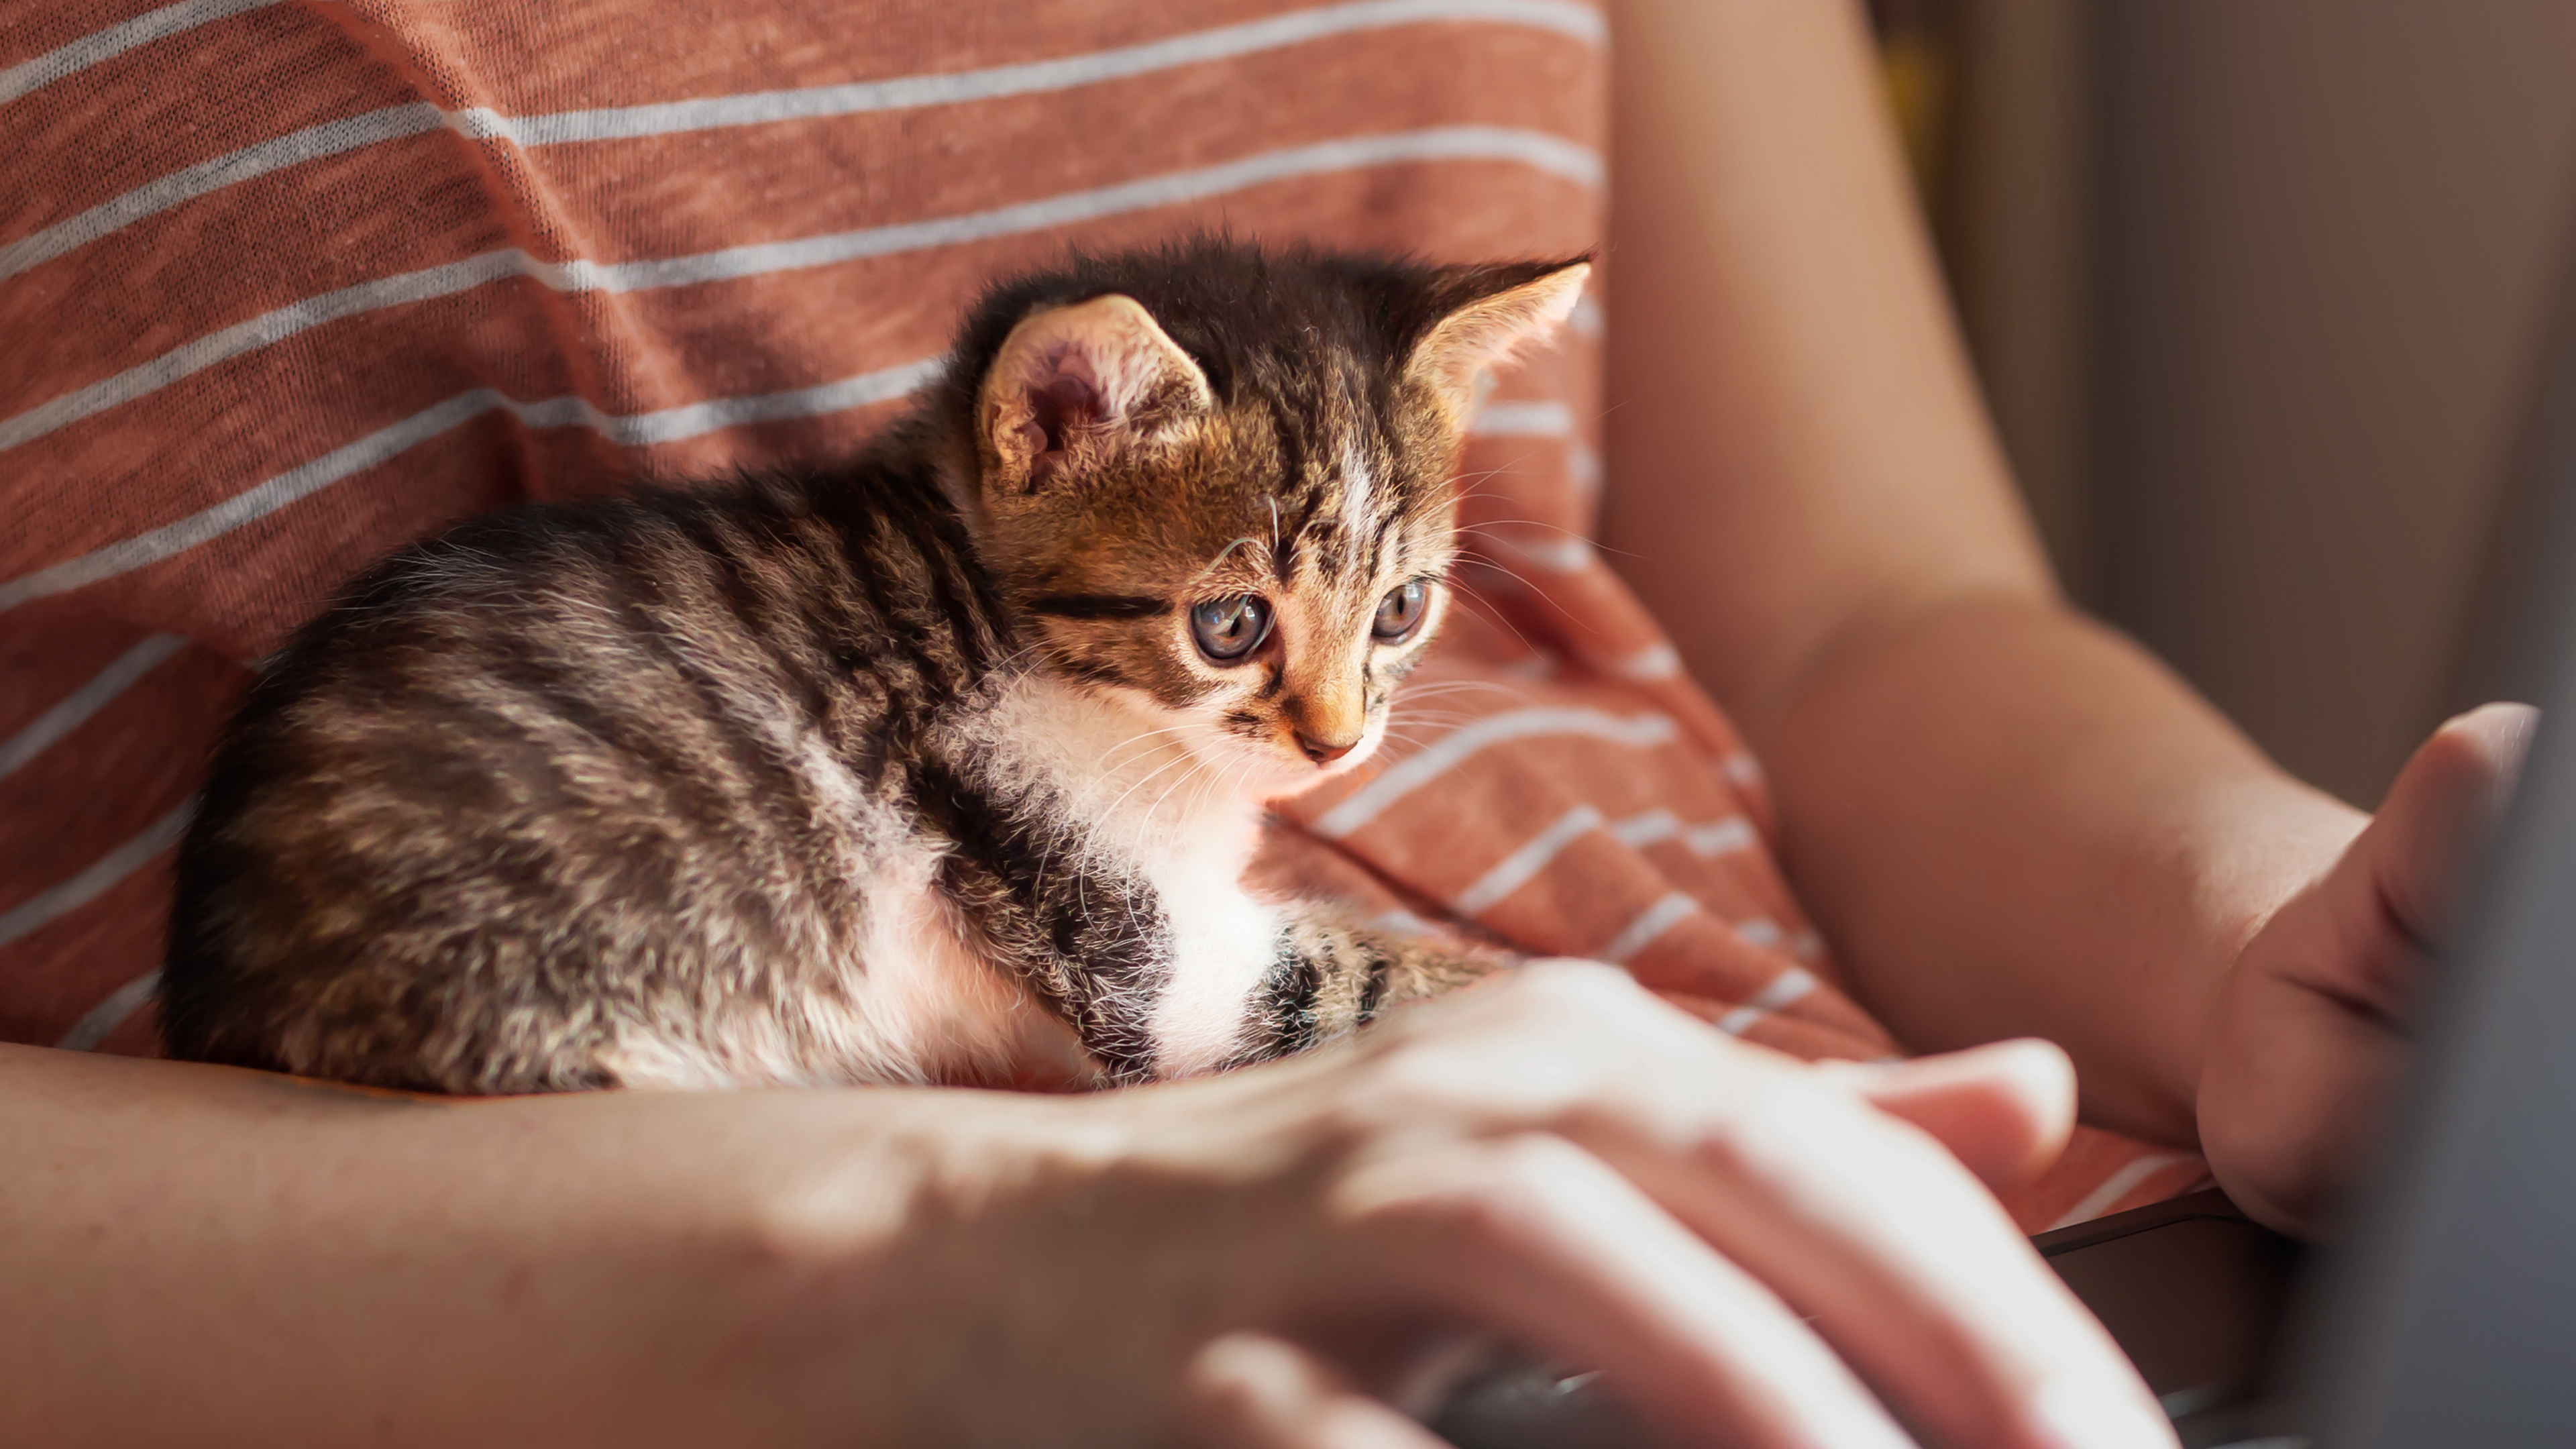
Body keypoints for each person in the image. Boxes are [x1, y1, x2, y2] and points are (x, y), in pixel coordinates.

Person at [0, 0, 2529, 1444]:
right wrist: (891, 1261)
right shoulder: (1002, 621)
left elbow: (1869, 616)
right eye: (1278, 657)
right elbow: (1115, 998)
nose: (1346, 725)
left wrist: (2282, 942)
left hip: (1946, 1218)